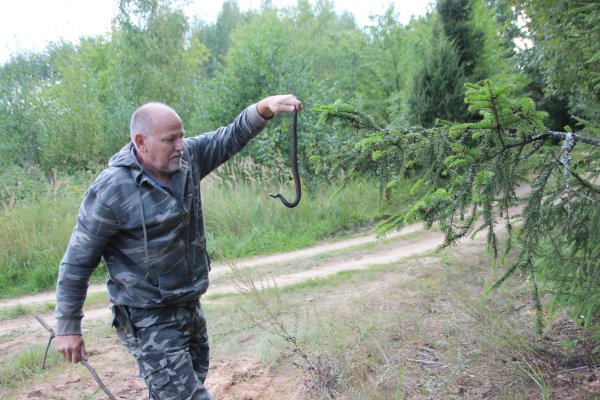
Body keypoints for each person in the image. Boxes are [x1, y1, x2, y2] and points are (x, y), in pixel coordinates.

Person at [54, 94, 303, 399]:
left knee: (181, 387)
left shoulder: (188, 161)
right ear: (141, 142)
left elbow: (230, 136)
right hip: (147, 316)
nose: (181, 145)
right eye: (170, 139)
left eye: (182, 136)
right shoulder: (112, 190)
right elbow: (77, 261)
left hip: (189, 303)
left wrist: (263, 108)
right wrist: (68, 325)